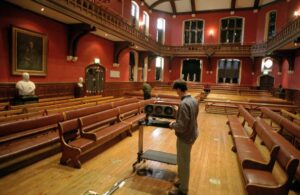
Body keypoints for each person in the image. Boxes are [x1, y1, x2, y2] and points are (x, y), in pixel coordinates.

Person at [169, 79, 199, 195]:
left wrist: (172, 124)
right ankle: (181, 181)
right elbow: (192, 117)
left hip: (185, 137)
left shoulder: (184, 103)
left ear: (178, 89)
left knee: (183, 163)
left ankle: (183, 190)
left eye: (176, 91)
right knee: (182, 161)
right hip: (192, 133)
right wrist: (179, 112)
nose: (176, 93)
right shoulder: (194, 100)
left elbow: (181, 126)